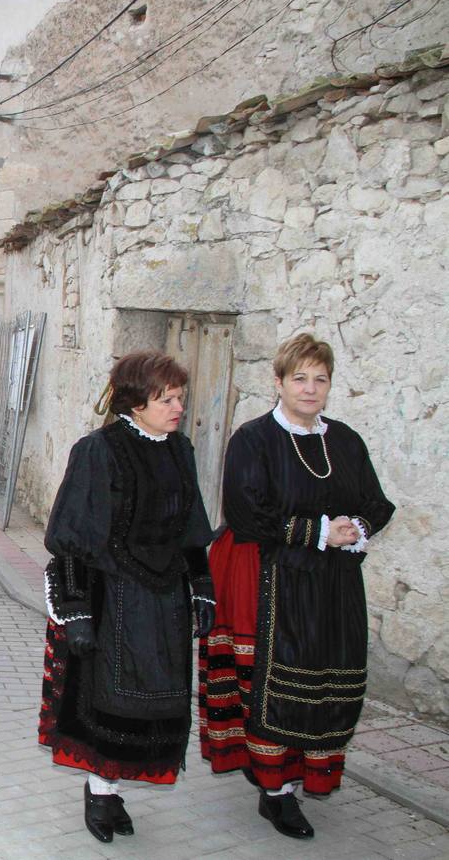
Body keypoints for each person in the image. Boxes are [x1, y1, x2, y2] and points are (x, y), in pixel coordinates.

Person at [200, 334, 395, 840]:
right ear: (280, 382)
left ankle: (305, 773)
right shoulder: (254, 438)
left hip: (335, 586)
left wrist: (358, 528)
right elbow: (247, 511)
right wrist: (320, 531)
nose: (310, 389)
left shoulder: (346, 441)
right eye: (300, 378)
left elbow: (378, 502)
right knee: (278, 687)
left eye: (320, 379)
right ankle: (276, 792)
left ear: (330, 385)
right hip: (276, 581)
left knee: (333, 681)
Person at [38, 351, 215, 843]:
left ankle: (116, 792)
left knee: (155, 704)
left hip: (164, 602)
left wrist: (202, 588)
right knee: (107, 702)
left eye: (180, 397)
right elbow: (71, 533)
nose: (178, 407)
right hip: (111, 597)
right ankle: (100, 791)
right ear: (136, 402)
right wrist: (74, 610)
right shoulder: (99, 449)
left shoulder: (182, 450)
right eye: (166, 398)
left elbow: (192, 528)